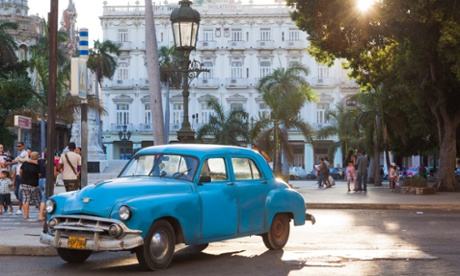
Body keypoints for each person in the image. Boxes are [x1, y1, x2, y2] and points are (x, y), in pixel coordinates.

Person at [4, 141, 28, 215]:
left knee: (21, 192)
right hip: (18, 174)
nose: (18, 147)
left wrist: (9, 163)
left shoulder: (24, 153)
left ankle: (20, 209)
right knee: (16, 192)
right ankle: (23, 203)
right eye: (17, 146)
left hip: (22, 174)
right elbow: (16, 163)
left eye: (19, 146)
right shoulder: (19, 153)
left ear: (23, 146)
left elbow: (16, 162)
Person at [20, 151, 41, 220]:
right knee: (37, 200)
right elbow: (39, 175)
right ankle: (42, 214)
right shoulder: (38, 165)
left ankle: (26, 215)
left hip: (24, 183)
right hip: (33, 184)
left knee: (26, 200)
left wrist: (22, 178)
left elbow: (21, 171)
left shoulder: (25, 163)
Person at [37, 149, 56, 221]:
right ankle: (41, 215)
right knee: (45, 198)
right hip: (47, 180)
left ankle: (44, 213)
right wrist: (55, 179)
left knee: (43, 196)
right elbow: (54, 174)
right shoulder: (52, 163)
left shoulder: (40, 162)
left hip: (41, 180)